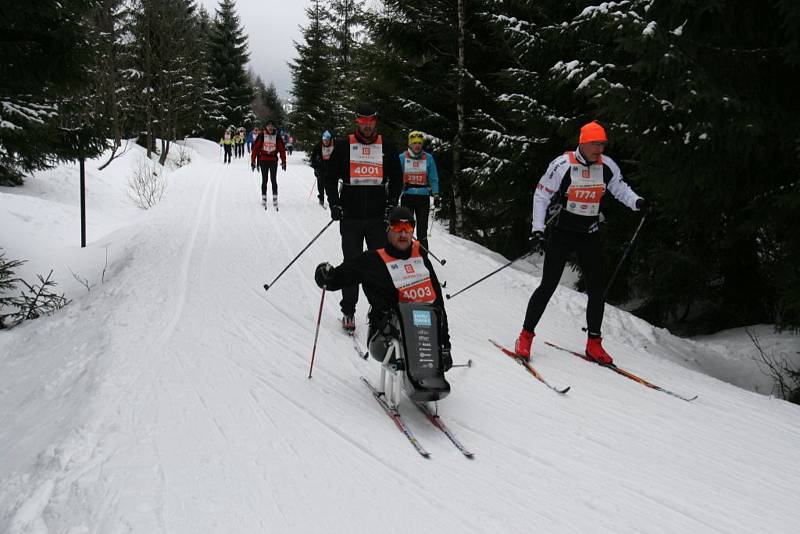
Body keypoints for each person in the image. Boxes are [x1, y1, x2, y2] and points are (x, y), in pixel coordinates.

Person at [514, 120, 646, 364]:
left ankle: (594, 343)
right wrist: (537, 230)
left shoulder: (607, 166)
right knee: (548, 285)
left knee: (597, 290)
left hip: (590, 234)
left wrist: (637, 202)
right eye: (595, 144)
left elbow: (619, 188)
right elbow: (541, 195)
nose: (599, 149)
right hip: (563, 232)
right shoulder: (562, 164)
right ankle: (525, 336)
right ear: (583, 143)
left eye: (602, 144)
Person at [315, 207, 453, 399]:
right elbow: (340, 277)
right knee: (403, 313)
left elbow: (438, 304)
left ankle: (430, 377)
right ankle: (415, 376)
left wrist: (445, 347)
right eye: (398, 227)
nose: (403, 233)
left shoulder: (420, 259)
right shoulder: (373, 260)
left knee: (428, 312)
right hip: (384, 339)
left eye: (408, 228)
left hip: (423, 337)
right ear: (388, 229)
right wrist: (326, 276)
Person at [324, 103, 403, 333]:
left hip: (378, 218)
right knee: (352, 263)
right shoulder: (344, 145)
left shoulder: (386, 145)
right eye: (363, 122)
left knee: (379, 264)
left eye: (371, 122)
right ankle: (348, 310)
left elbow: (397, 178)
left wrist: (392, 204)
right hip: (350, 217)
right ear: (357, 122)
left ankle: (381, 310)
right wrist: (334, 204)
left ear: (375, 122)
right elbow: (330, 177)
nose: (367, 126)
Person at [399, 130, 440, 251]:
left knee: (422, 229)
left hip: (423, 198)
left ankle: (423, 254)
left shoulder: (428, 158)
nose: (417, 146)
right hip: (407, 196)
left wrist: (436, 194)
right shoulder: (402, 157)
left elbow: (433, 177)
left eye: (419, 143)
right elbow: (396, 176)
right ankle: (404, 251)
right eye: (414, 143)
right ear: (410, 144)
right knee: (406, 227)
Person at [251, 120, 287, 207]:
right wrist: (253, 161)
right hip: (263, 160)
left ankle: (275, 198)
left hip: (273, 160)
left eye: (272, 126)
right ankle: (264, 198)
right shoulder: (262, 135)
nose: (270, 128)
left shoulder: (277, 136)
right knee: (264, 180)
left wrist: (284, 161)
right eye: (268, 126)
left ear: (274, 127)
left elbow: (282, 149)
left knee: (273, 180)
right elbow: (255, 148)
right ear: (266, 127)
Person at [310, 130, 334, 207]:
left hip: (330, 169)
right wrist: (315, 168)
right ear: (322, 140)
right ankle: (321, 199)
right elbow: (313, 158)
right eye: (324, 140)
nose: (326, 142)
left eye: (327, 140)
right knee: (320, 184)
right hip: (320, 168)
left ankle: (331, 199)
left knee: (329, 185)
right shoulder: (318, 146)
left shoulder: (333, 146)